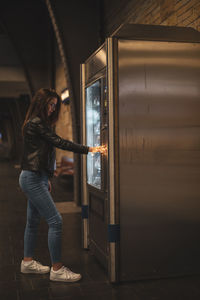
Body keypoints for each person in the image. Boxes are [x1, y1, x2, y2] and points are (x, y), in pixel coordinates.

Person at [19, 88, 105, 282]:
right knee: (56, 221)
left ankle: (27, 262)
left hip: (35, 177)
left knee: (32, 222)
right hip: (32, 178)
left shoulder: (36, 123)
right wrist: (90, 149)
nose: (52, 109)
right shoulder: (37, 123)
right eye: (50, 104)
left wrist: (45, 177)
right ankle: (57, 269)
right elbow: (59, 142)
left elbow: (35, 154)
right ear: (41, 103)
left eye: (54, 106)